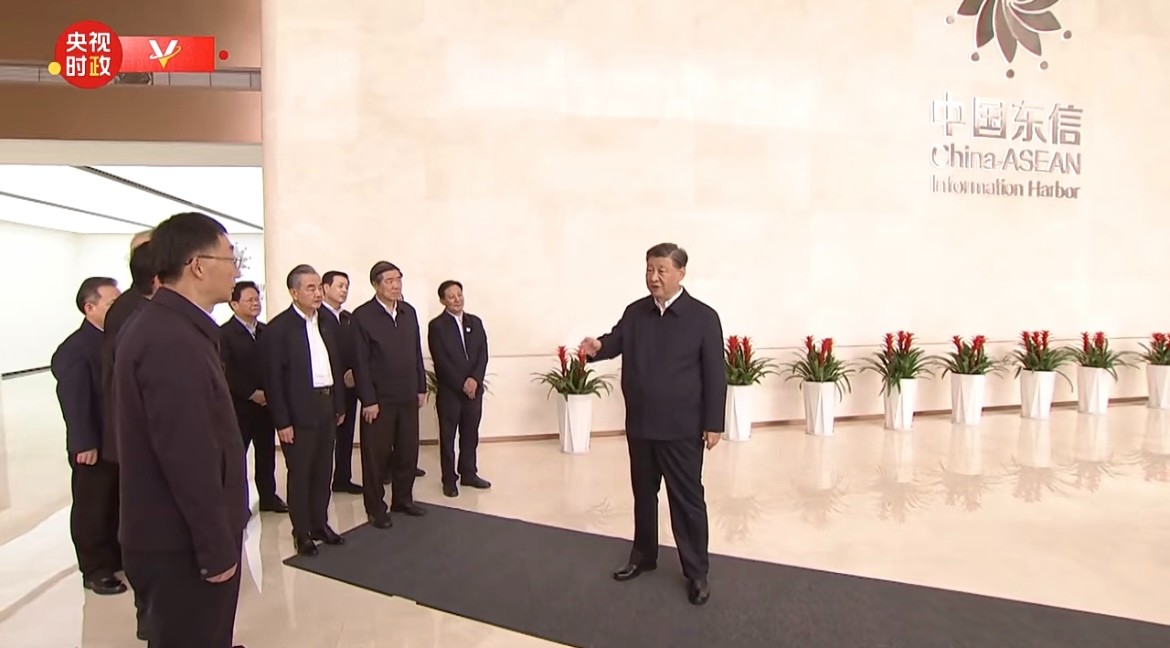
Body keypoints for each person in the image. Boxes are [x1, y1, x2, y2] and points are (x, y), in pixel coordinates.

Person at [113, 212, 248, 648]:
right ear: (198, 266)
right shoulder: (171, 340)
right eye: (231, 258)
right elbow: (188, 457)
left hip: (181, 538)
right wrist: (215, 549)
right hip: (180, 546)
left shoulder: (176, 327)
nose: (237, 270)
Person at [580, 243, 726, 606]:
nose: (654, 277)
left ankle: (697, 572)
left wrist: (713, 423)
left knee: (687, 500)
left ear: (681, 273)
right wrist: (598, 347)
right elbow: (615, 340)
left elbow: (715, 374)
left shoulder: (703, 317)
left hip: (681, 429)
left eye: (662, 270)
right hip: (642, 426)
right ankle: (643, 556)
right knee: (644, 496)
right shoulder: (636, 312)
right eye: (649, 269)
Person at [264, 265, 348, 556]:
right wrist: (282, 422)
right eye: (310, 288)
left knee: (324, 470)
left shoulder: (326, 322)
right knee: (301, 473)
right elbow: (273, 381)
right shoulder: (279, 329)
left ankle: (319, 524)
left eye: (319, 287)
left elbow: (335, 365)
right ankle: (301, 532)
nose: (317, 293)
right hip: (298, 410)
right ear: (294, 292)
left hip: (327, 404)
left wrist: (339, 404)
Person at [51, 276, 124, 596]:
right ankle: (95, 569)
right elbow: (74, 400)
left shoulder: (117, 339)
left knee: (116, 502)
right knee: (93, 506)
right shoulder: (75, 350)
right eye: (112, 303)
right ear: (89, 307)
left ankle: (116, 556)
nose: (118, 308)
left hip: (118, 440)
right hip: (94, 443)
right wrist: (84, 442)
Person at [352, 261, 427, 527]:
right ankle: (375, 507)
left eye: (398, 280)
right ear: (376, 284)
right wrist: (368, 400)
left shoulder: (408, 312)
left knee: (408, 450)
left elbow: (416, 352)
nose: (396, 285)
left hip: (407, 395)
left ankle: (403, 499)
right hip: (379, 400)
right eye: (389, 281)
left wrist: (421, 387)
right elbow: (360, 362)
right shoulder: (362, 316)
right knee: (376, 456)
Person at [220, 281, 287, 514]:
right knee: (237, 456)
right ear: (234, 304)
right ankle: (238, 504)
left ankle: (268, 497)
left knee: (266, 452)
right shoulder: (224, 334)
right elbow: (226, 370)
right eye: (250, 300)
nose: (255, 303)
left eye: (257, 299)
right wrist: (250, 393)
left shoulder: (266, 331)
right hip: (239, 406)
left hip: (267, 404)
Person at [426, 280, 491, 497]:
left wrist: (475, 379)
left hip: (474, 391)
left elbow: (482, 354)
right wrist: (462, 383)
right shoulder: (437, 326)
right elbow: (441, 360)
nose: (457, 299)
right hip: (450, 392)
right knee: (448, 437)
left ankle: (469, 473)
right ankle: (449, 480)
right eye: (451, 296)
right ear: (442, 300)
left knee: (470, 434)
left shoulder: (475, 322)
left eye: (459, 294)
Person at [319, 271, 363, 494]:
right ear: (325, 288)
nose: (344, 290)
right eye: (339, 286)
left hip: (350, 386)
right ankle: (321, 484)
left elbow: (358, 349)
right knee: (326, 438)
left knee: (346, 435)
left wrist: (354, 372)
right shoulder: (317, 317)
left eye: (346, 286)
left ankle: (343, 478)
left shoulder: (348, 318)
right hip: (326, 387)